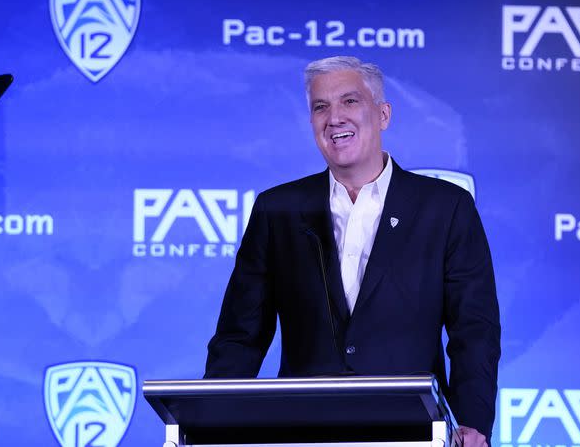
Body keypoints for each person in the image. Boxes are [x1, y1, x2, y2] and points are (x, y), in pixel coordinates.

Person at [205, 56, 500, 446]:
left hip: (411, 430)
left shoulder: (445, 209)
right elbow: (239, 336)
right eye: (320, 107)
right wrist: (208, 420)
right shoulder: (278, 210)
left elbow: (474, 330)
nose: (334, 118)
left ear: (382, 114)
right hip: (302, 433)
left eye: (350, 101)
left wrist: (472, 422)